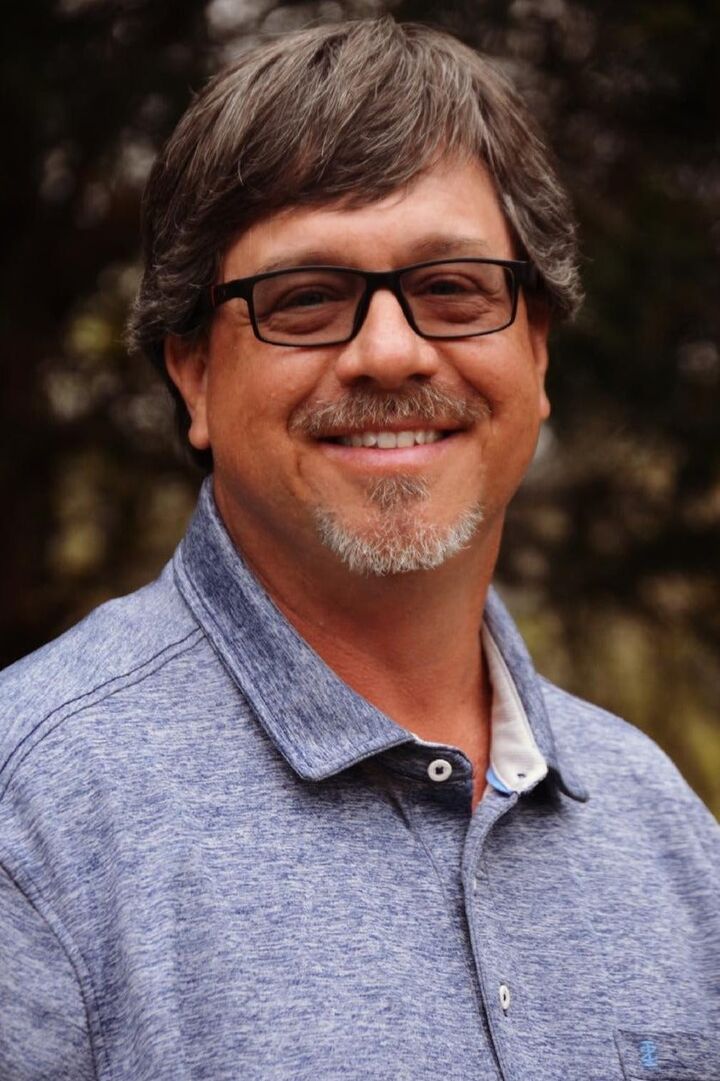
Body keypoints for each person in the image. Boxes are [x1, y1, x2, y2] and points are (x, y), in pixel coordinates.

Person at [1, 16, 718, 1081]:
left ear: (536, 349)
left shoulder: (662, 829)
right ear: (193, 375)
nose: (390, 351)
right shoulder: (33, 826)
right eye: (306, 299)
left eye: (453, 288)